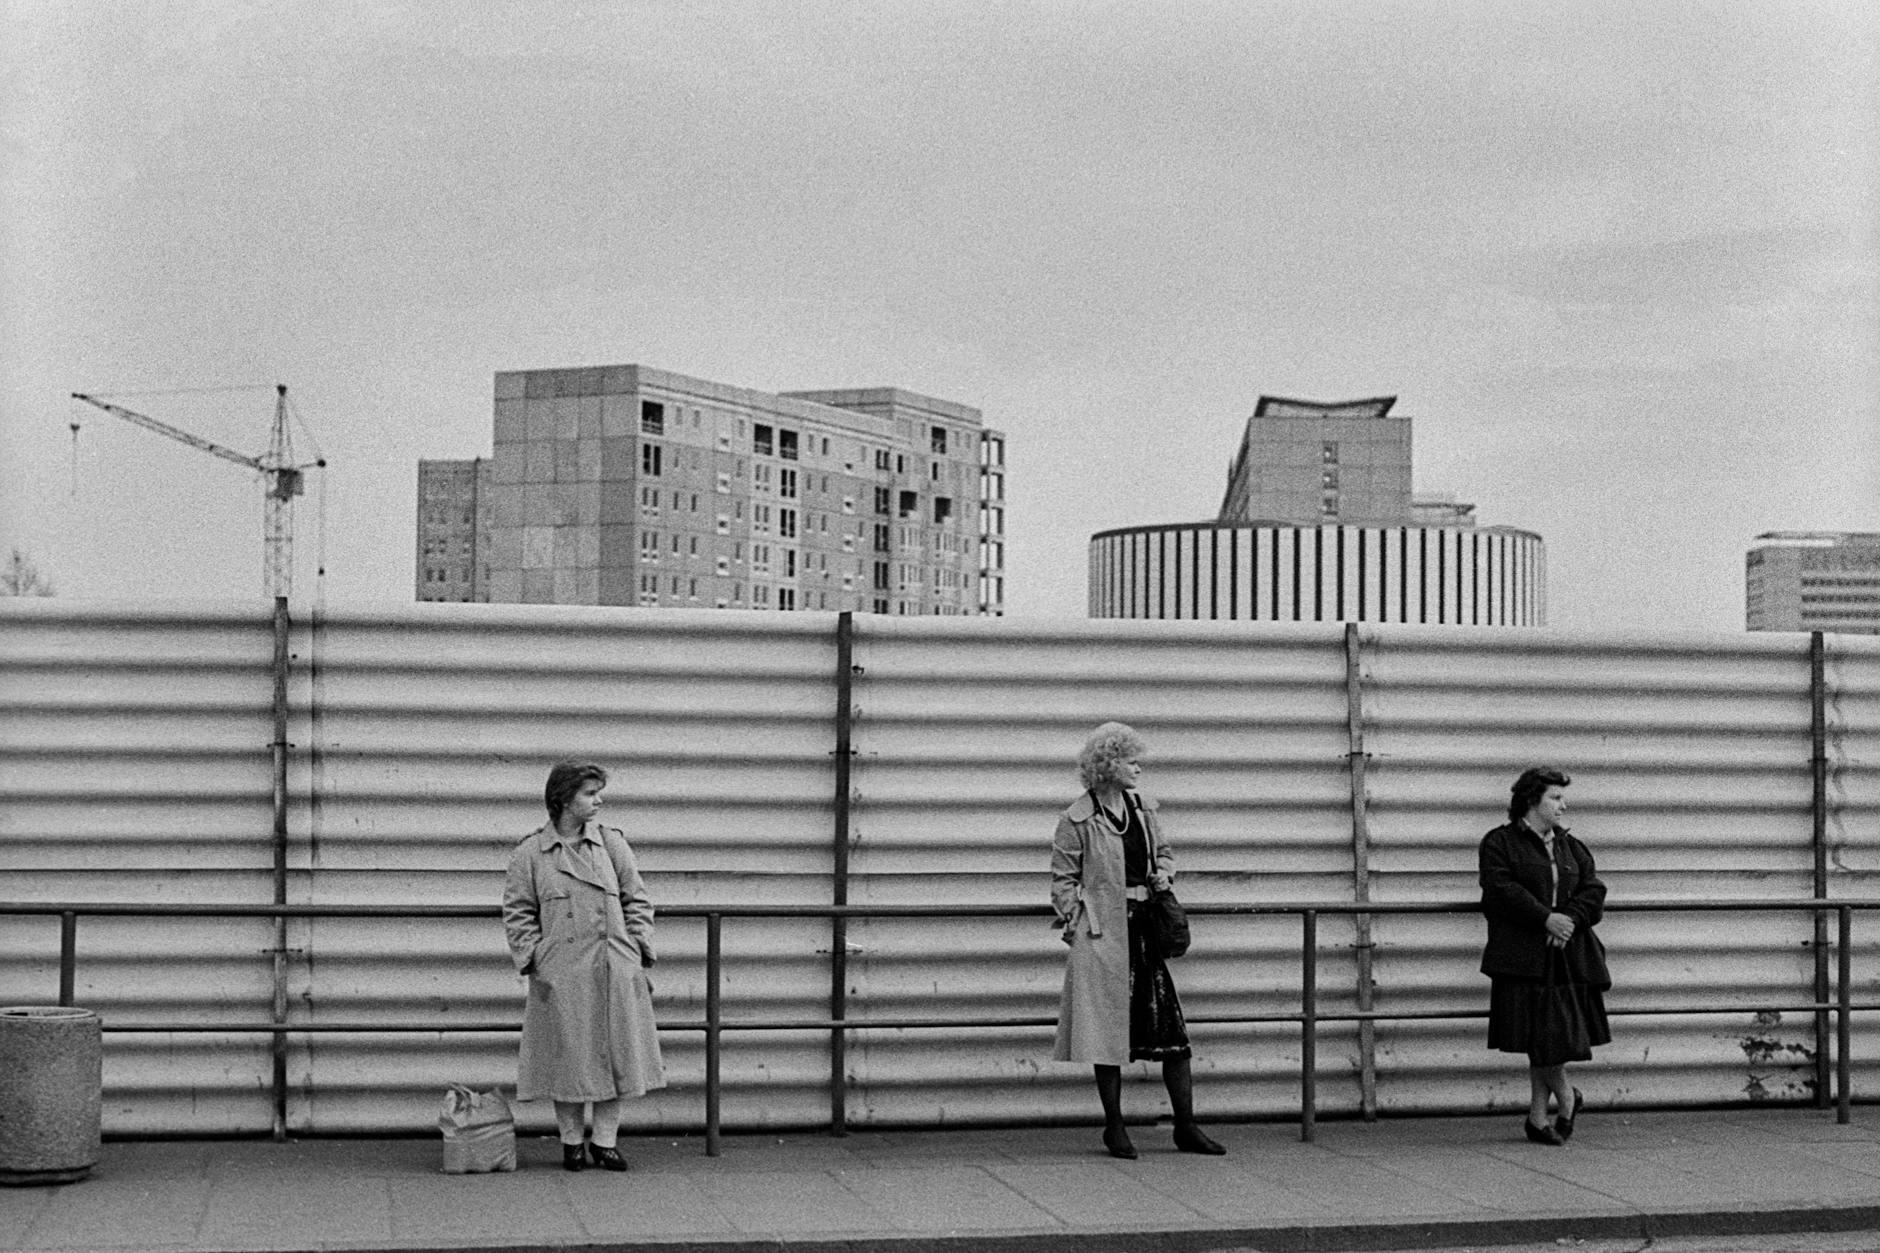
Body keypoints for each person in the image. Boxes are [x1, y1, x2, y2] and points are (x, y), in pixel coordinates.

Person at [1050, 721, 1225, 1160]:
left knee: (1174, 1036)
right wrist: (1077, 923)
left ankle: (1186, 1126)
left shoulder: (1144, 810)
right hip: (1104, 937)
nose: (1139, 770)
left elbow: (1164, 853)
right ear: (1109, 765)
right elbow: (1063, 880)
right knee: (1106, 1038)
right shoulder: (1077, 819)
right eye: (1132, 761)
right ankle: (1115, 1128)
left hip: (1144, 932)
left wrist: (1164, 873)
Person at [503, 760, 665, 1172]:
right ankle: (572, 1142)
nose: (599, 801)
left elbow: (638, 899)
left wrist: (635, 949)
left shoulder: (611, 845)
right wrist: (538, 958)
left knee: (615, 1056)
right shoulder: (530, 853)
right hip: (563, 974)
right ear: (563, 799)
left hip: (613, 967)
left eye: (598, 793)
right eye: (589, 794)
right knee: (568, 1058)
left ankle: (605, 1142)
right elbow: (518, 912)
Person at [1478, 766, 1611, 1146]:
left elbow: (1593, 890)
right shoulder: (1500, 843)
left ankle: (1538, 1117)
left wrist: (1568, 918)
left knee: (1548, 1037)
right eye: (1555, 798)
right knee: (1543, 1037)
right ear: (1530, 800)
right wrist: (1545, 919)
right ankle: (1566, 1098)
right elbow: (1501, 889)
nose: (1563, 806)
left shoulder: (1571, 846)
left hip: (1565, 957)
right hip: (1523, 957)